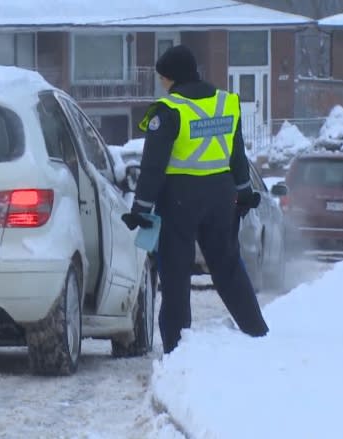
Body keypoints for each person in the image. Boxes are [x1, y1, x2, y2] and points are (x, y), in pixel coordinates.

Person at [121, 45, 269, 354]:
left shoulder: (168, 109)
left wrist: (140, 209)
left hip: (180, 200)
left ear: (171, 77)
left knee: (175, 273)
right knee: (228, 266)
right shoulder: (226, 103)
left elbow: (153, 166)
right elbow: (236, 154)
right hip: (220, 196)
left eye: (162, 77)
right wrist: (244, 193)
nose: (161, 83)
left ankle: (177, 349)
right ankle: (257, 332)